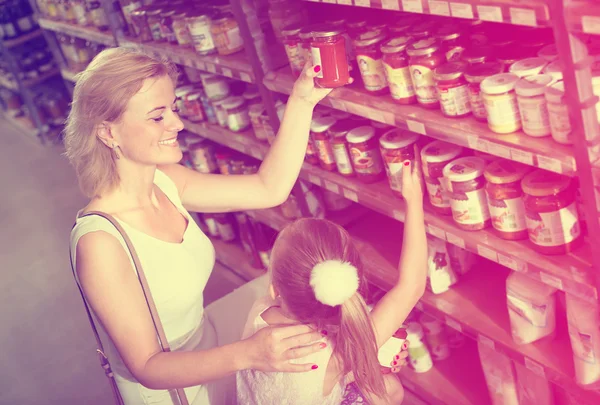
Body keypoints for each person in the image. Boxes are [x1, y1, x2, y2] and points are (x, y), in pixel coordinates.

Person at [66, 46, 349, 405]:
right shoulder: (100, 244)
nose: (177, 124)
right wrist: (249, 353)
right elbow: (148, 367)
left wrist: (302, 100)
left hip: (210, 348)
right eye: (157, 117)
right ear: (108, 133)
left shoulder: (166, 181)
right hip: (171, 389)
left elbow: (269, 187)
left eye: (174, 109)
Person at [236, 159, 428, 404]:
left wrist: (364, 355)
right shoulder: (338, 356)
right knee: (388, 388)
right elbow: (411, 286)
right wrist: (414, 201)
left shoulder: (261, 310)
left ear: (274, 287)